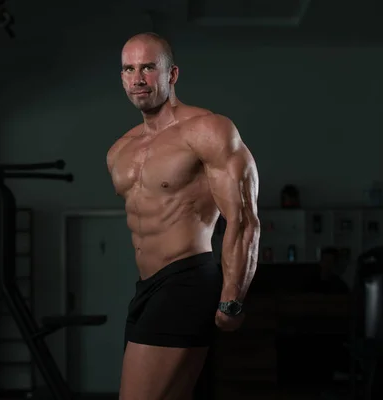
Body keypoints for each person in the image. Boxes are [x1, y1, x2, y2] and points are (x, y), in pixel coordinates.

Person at [106, 32, 261, 399]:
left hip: (187, 280)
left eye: (148, 67)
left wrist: (232, 297)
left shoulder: (207, 129)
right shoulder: (119, 151)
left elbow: (243, 219)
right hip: (146, 288)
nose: (138, 78)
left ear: (171, 74)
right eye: (129, 69)